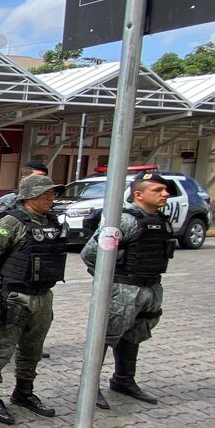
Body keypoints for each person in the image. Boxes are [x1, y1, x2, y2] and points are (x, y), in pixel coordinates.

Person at [0, 174, 66, 424]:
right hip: (15, 297)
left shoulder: (52, 221)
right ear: (28, 196)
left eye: (52, 193)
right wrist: (5, 281)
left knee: (32, 348)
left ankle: (24, 391)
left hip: (43, 295)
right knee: (1, 347)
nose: (50, 198)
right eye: (44, 194)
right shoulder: (11, 222)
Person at [83, 172, 177, 410]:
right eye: (157, 190)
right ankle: (90, 387)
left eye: (165, 190)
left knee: (134, 335)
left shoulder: (162, 221)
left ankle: (123, 380)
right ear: (139, 194)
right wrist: (110, 282)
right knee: (105, 336)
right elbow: (91, 253)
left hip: (150, 288)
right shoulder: (125, 220)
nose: (165, 193)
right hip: (123, 290)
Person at [0, 161, 48, 229]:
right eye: (38, 177)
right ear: (24, 178)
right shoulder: (10, 200)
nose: (43, 180)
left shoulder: (47, 200)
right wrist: (8, 236)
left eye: (45, 177)